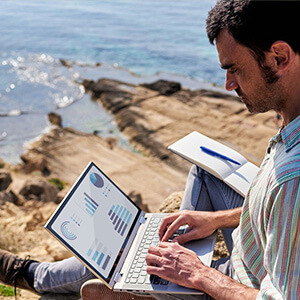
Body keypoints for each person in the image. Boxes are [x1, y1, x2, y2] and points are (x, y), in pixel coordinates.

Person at [0, 0, 299, 299]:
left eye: (233, 68)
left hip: (244, 280)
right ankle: (150, 276)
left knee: (130, 254)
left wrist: (199, 274)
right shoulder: (291, 122)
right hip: (257, 244)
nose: (227, 84)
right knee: (201, 178)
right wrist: (216, 219)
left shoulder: (292, 181)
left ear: (279, 56)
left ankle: (37, 276)